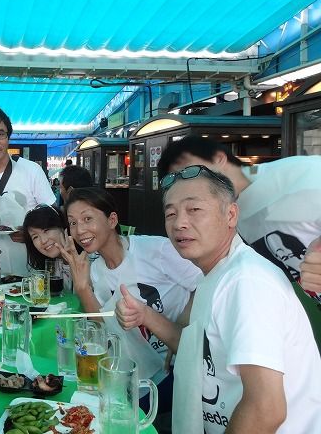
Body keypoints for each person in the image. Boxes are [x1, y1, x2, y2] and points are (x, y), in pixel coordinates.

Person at [136, 164, 320, 433]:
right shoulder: (217, 275)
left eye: (194, 209)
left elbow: (265, 409)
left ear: (231, 214)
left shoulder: (246, 282)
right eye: (171, 213)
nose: (179, 223)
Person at [58, 187, 201, 414]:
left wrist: (180, 330)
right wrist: (83, 288)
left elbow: (203, 282)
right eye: (73, 222)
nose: (80, 230)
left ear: (112, 220)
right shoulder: (96, 270)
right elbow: (104, 330)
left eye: (87, 219)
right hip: (140, 370)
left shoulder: (156, 250)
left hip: (183, 366)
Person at [157, 135, 321, 304]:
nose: (186, 186)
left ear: (219, 159)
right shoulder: (221, 218)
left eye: (191, 172)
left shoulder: (304, 173)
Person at [22, 204, 72, 291]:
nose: (43, 241)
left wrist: (71, 263)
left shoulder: (88, 258)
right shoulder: (49, 268)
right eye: (35, 237)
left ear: (62, 227)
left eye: (46, 230)